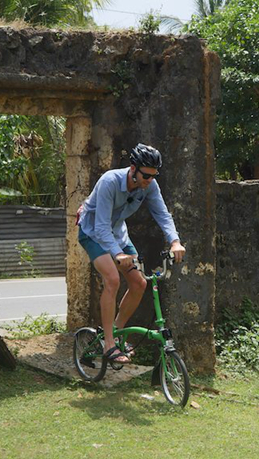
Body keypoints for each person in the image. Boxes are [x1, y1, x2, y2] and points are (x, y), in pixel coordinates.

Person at [76, 143, 186, 364]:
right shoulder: (110, 182)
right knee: (113, 279)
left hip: (118, 234)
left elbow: (163, 214)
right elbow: (101, 227)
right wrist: (117, 254)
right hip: (93, 232)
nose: (149, 180)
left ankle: (116, 333)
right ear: (133, 168)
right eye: (146, 175)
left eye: (154, 176)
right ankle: (108, 344)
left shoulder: (149, 186)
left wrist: (175, 241)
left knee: (139, 283)